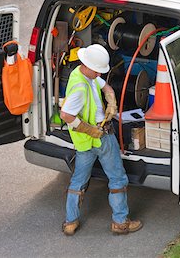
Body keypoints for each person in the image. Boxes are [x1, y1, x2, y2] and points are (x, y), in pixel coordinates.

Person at [60, 44, 142, 236]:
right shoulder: (81, 86)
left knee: (78, 181)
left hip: (84, 144)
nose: (99, 74)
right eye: (97, 71)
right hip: (100, 138)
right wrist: (90, 130)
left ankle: (70, 222)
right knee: (117, 178)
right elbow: (66, 115)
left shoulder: (82, 74)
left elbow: (105, 87)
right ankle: (120, 222)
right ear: (87, 65)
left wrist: (111, 101)